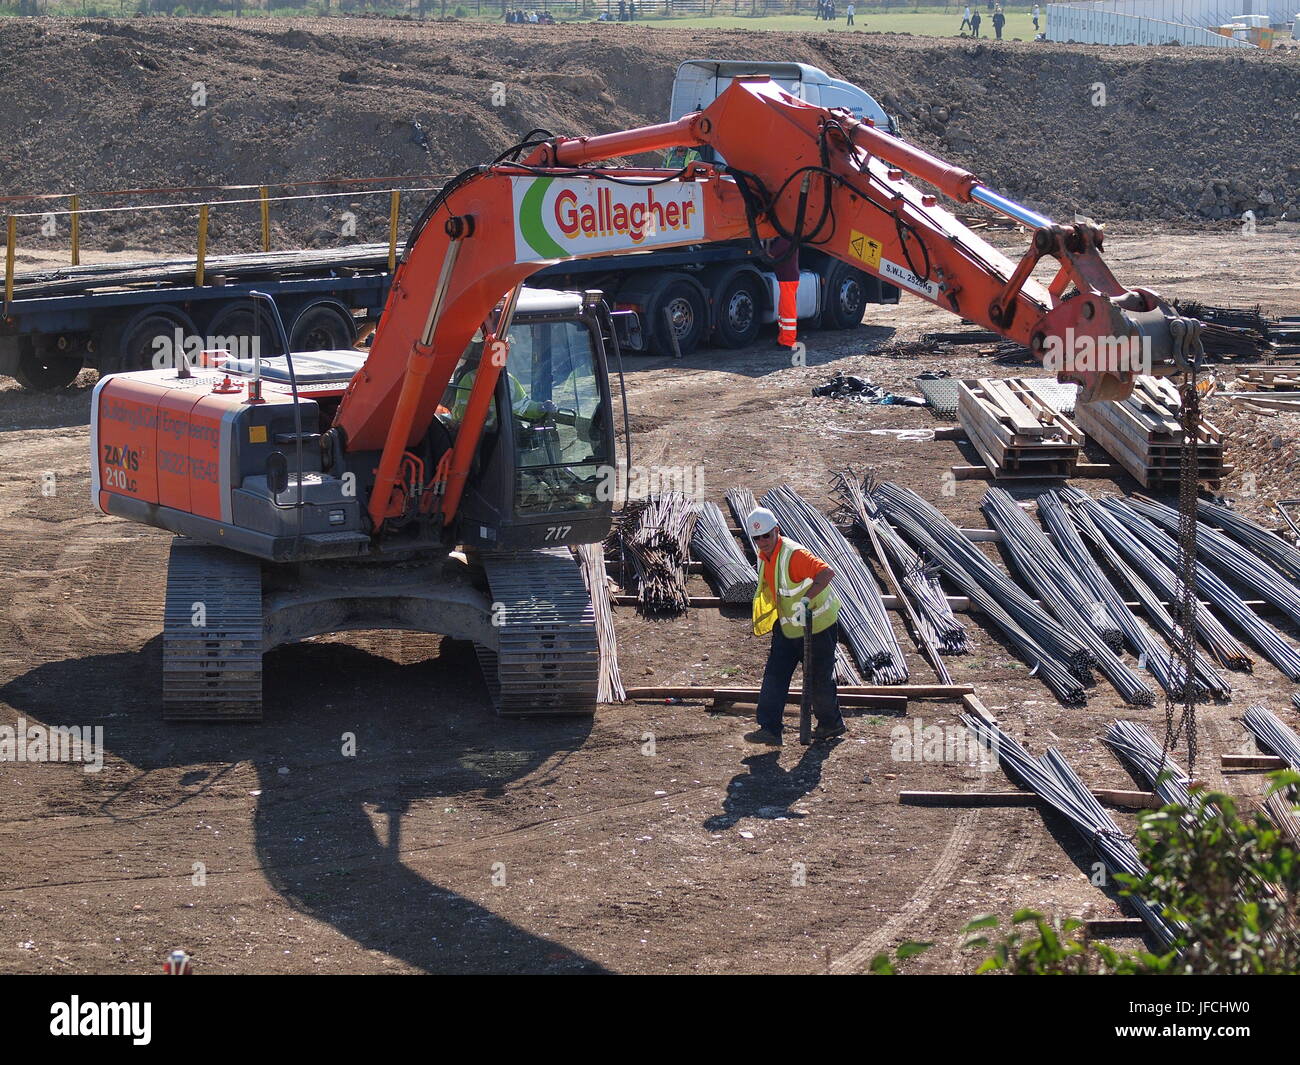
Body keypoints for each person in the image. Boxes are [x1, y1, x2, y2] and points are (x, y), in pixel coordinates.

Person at [744, 507, 846, 746]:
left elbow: (827, 573)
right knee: (775, 675)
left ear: (776, 531)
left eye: (766, 536)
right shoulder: (765, 557)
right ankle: (769, 728)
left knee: (818, 679)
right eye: (756, 538)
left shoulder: (794, 554)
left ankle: (831, 724)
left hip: (817, 626)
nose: (762, 542)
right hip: (788, 627)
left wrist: (806, 600)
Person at [766, 237, 799, 350]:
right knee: (784, 311)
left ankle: (789, 341)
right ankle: (783, 339)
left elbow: (771, 254)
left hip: (788, 279)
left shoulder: (785, 239)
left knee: (787, 312)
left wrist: (768, 243)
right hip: (787, 278)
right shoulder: (788, 237)